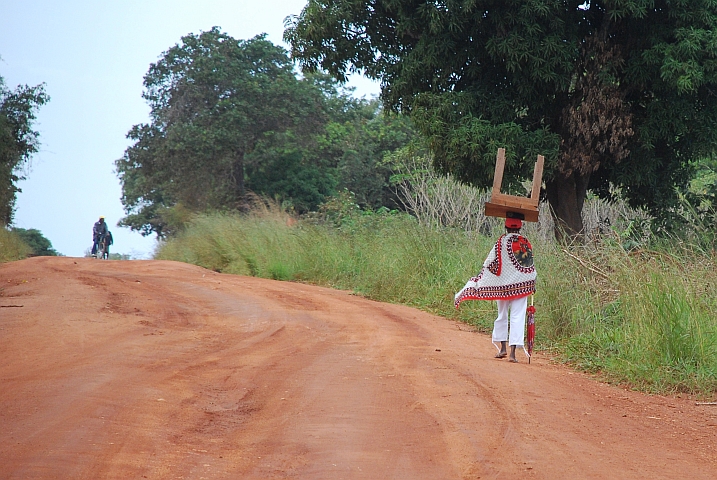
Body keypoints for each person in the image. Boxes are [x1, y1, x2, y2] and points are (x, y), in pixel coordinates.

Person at [455, 216, 537, 363]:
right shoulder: (525, 243)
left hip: (502, 287)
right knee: (518, 317)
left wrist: (485, 279)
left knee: (502, 315)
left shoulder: (501, 242)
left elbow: (489, 264)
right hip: (522, 287)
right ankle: (512, 354)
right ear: (520, 228)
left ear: (506, 228)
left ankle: (503, 348)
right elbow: (529, 267)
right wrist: (531, 284)